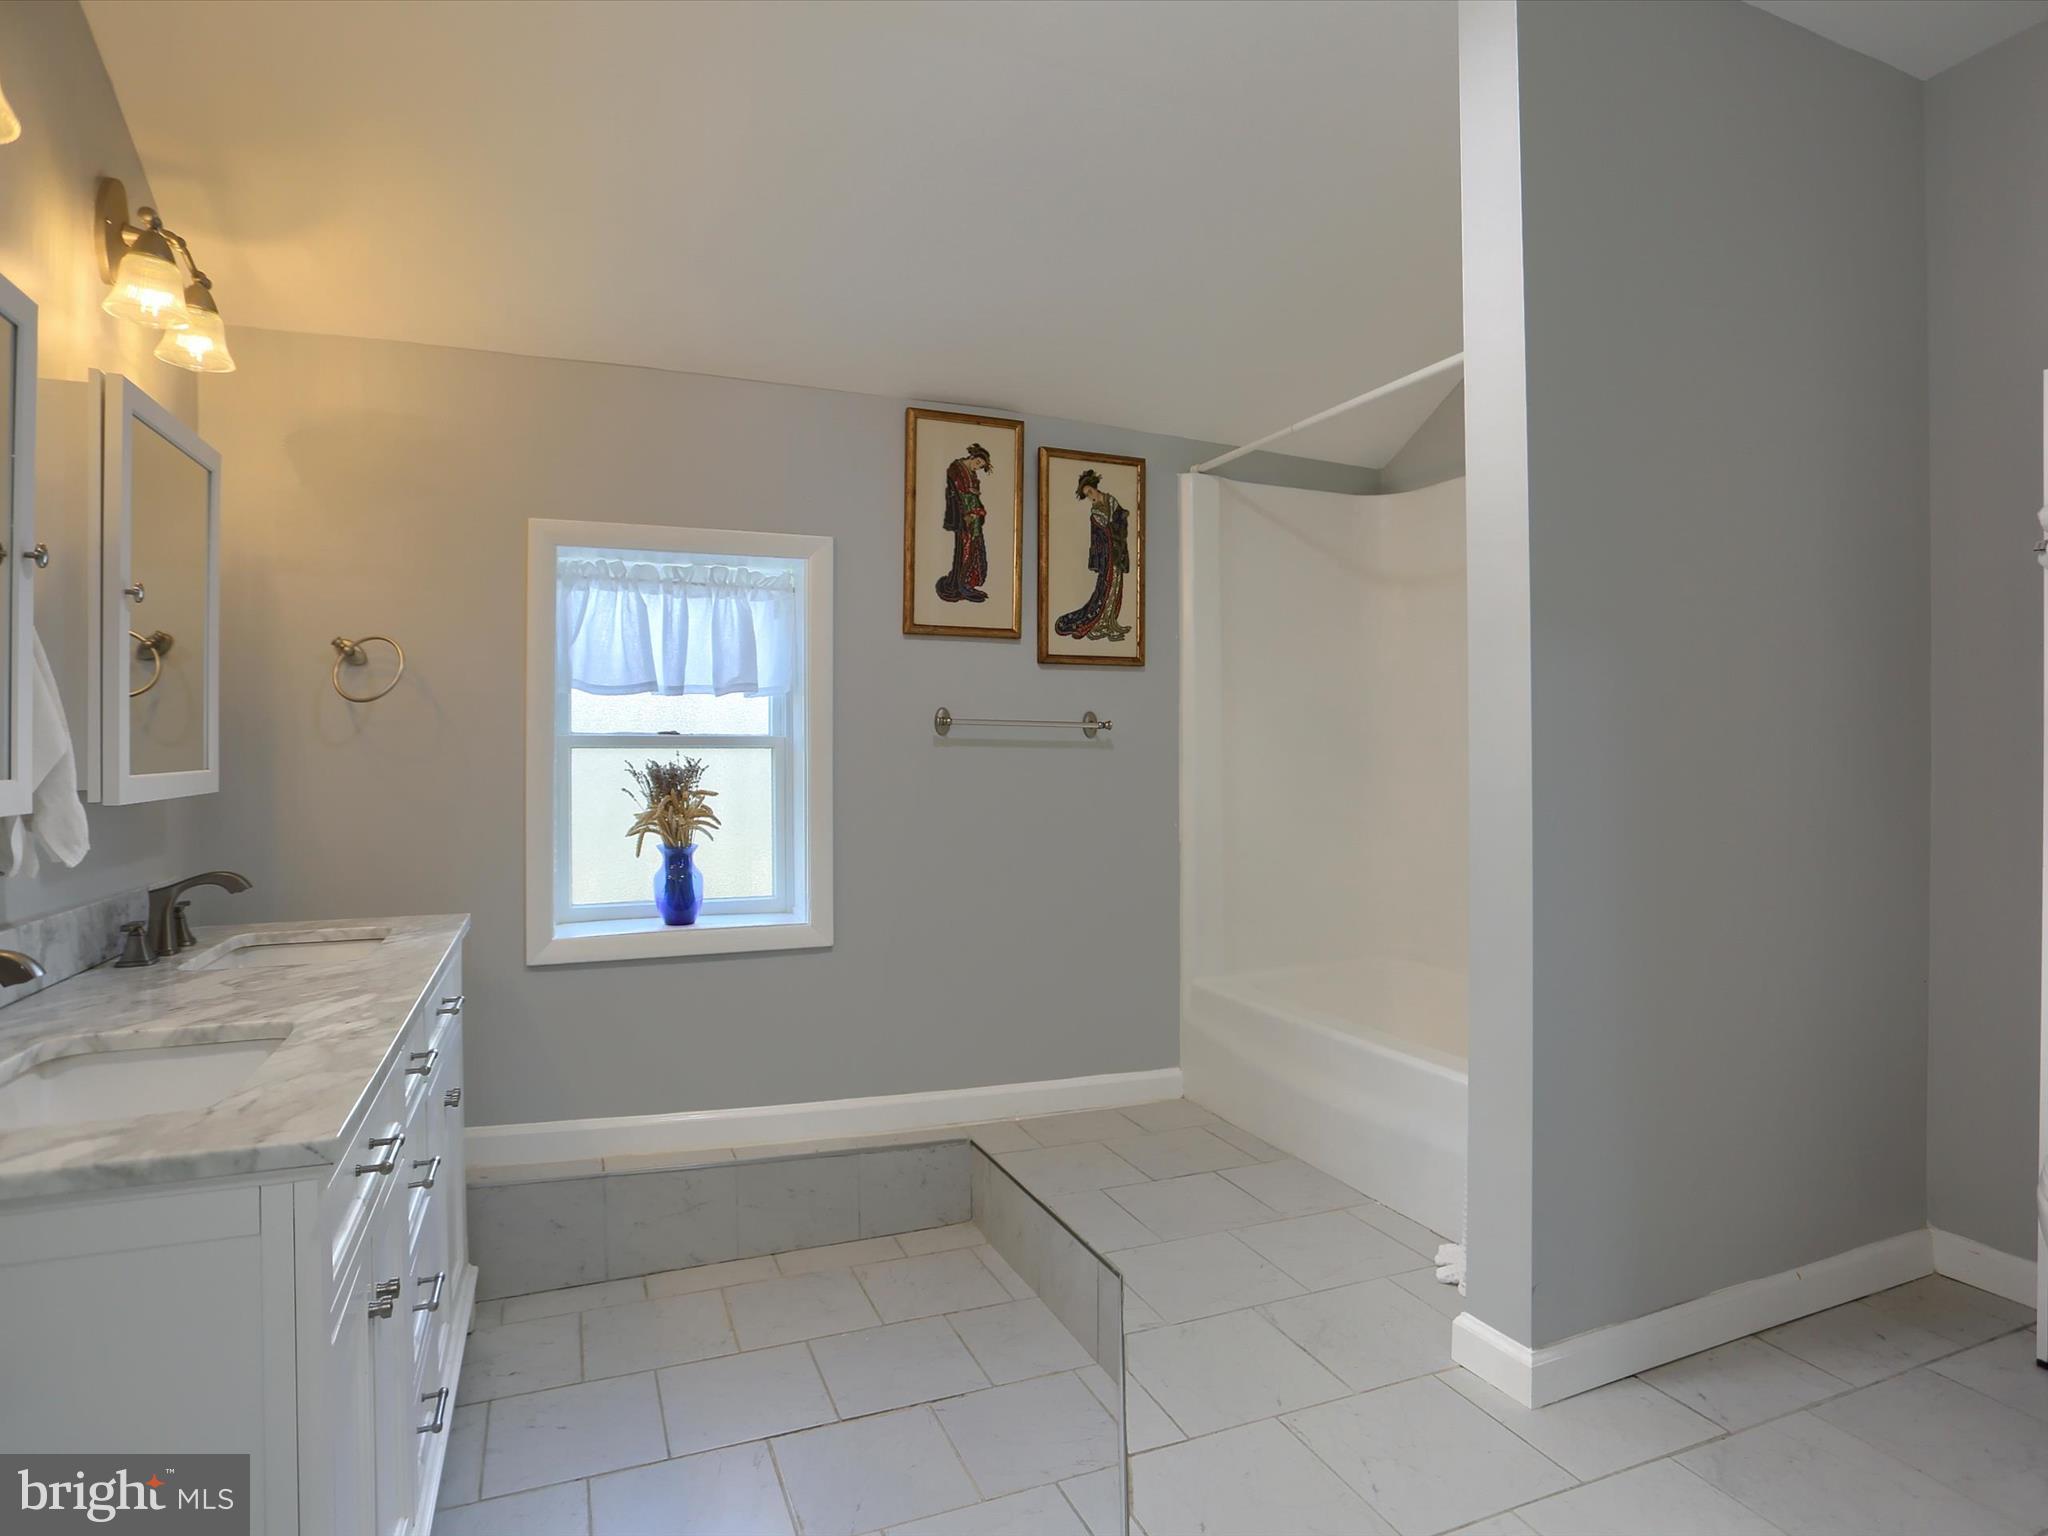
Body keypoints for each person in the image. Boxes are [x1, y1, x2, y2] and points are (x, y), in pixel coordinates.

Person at [1054, 468, 1131, 641]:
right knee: (1106, 588)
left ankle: (1111, 622)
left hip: (1117, 552)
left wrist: (1116, 527)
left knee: (1116, 587)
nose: (1090, 496)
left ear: (1095, 487)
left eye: (1090, 492)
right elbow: (1095, 539)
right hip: (1106, 555)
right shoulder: (1095, 512)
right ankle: (1100, 623)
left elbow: (1122, 521)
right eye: (1087, 495)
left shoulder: (1112, 502)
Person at [935, 442, 993, 603]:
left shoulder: (971, 474)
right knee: (965, 549)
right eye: (978, 463)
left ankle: (968, 583)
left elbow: (973, 493)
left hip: (973, 514)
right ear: (973, 457)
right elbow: (957, 492)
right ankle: (961, 584)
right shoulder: (956, 468)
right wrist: (967, 509)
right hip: (963, 515)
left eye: (980, 466)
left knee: (974, 548)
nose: (977, 467)